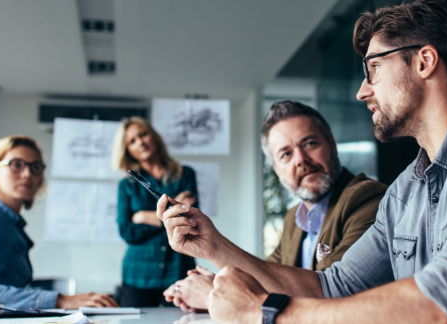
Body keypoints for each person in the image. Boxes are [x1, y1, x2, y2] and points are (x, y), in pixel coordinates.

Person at [157, 1, 447, 323]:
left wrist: (266, 314)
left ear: (425, 62)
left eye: (374, 68)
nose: (362, 91)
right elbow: (330, 288)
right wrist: (214, 247)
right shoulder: (405, 192)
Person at [163, 101, 388, 311]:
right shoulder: (294, 218)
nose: (300, 159)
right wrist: (217, 283)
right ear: (276, 168)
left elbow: (330, 294)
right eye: (286, 154)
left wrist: (214, 294)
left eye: (309, 143)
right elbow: (266, 278)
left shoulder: (368, 199)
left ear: (331, 143)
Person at [0, 135, 117, 309]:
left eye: (35, 167)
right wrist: (60, 300)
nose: (28, 174)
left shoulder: (9, 223)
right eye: (16, 165)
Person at [112, 116, 198, 307]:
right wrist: (170, 217)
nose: (140, 142)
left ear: (154, 137)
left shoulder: (185, 175)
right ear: (127, 151)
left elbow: (190, 222)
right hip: (138, 274)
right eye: (132, 141)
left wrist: (142, 217)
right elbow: (127, 231)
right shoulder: (127, 185)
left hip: (178, 270)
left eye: (143, 135)